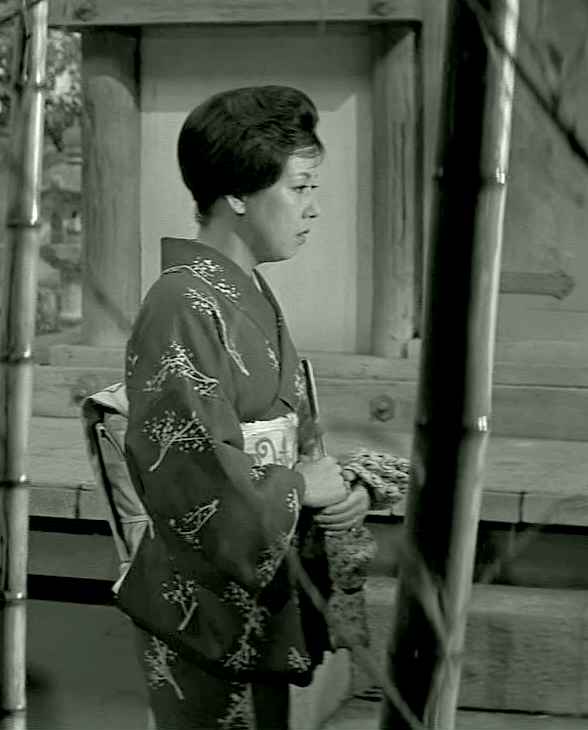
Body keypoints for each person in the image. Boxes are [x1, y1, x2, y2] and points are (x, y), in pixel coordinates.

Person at [113, 85, 371, 730]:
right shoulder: (180, 305)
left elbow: (293, 437)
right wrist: (299, 488)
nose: (313, 207)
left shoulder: (243, 292)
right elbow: (188, 473)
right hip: (204, 602)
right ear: (236, 194)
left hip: (258, 589)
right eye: (300, 187)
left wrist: (337, 490)